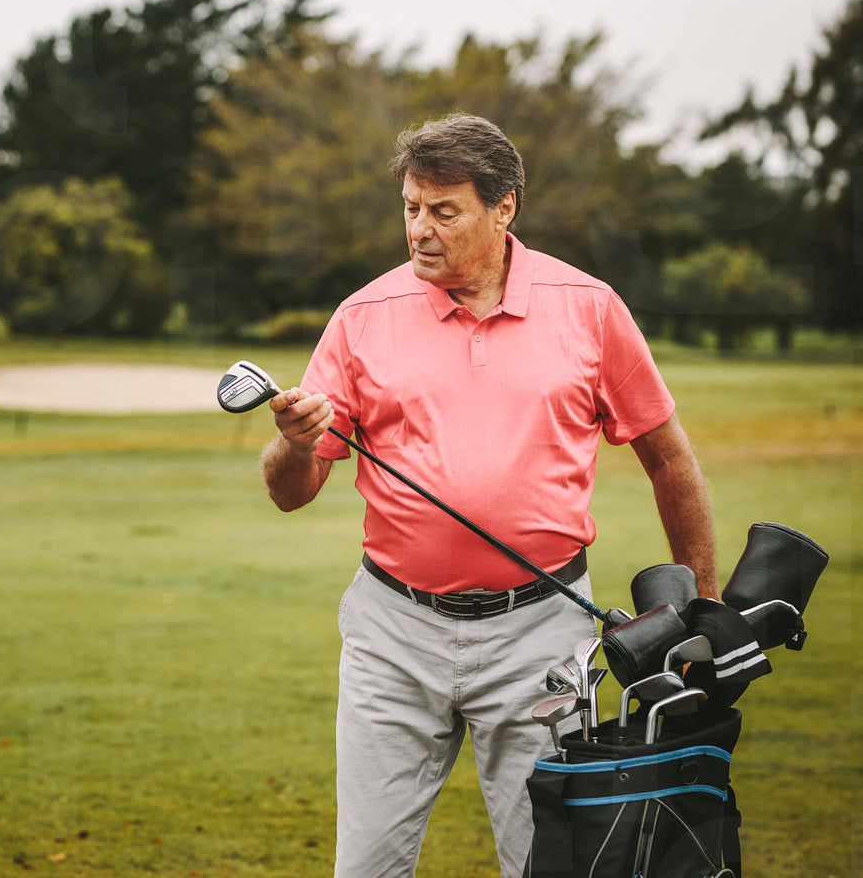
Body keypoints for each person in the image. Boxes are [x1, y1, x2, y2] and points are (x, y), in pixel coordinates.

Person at [260, 113, 717, 878]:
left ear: (504, 208)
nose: (420, 229)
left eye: (444, 211)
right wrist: (295, 443)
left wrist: (703, 605)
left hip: (539, 633)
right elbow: (290, 492)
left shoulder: (589, 307)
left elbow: (669, 459)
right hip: (393, 633)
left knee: (547, 864)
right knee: (366, 866)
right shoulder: (362, 317)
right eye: (411, 207)